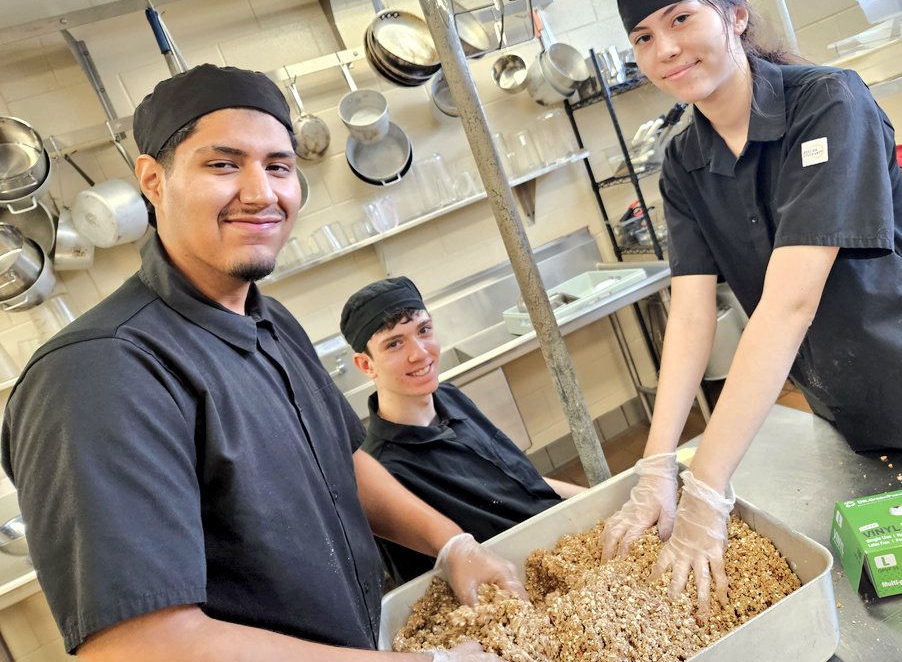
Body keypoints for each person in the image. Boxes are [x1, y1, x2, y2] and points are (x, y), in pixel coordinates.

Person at [0, 64, 519, 662]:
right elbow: (136, 643)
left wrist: (451, 544)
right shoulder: (101, 373)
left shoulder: (268, 321)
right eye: (223, 164)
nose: (261, 192)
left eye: (279, 166)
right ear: (152, 181)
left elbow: (342, 464)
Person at [599, 0, 902, 616]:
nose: (665, 50)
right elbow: (690, 314)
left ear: (735, 15)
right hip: (847, 406)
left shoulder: (827, 102)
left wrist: (708, 487)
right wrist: (657, 468)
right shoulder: (683, 160)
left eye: (681, 19)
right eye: (644, 37)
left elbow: (791, 302)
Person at [341, 276, 585, 584]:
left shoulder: (450, 397)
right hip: (527, 579)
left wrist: (594, 497)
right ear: (366, 365)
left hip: (567, 536)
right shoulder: (383, 475)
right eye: (394, 343)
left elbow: (520, 478)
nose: (420, 353)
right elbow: (429, 592)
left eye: (423, 330)